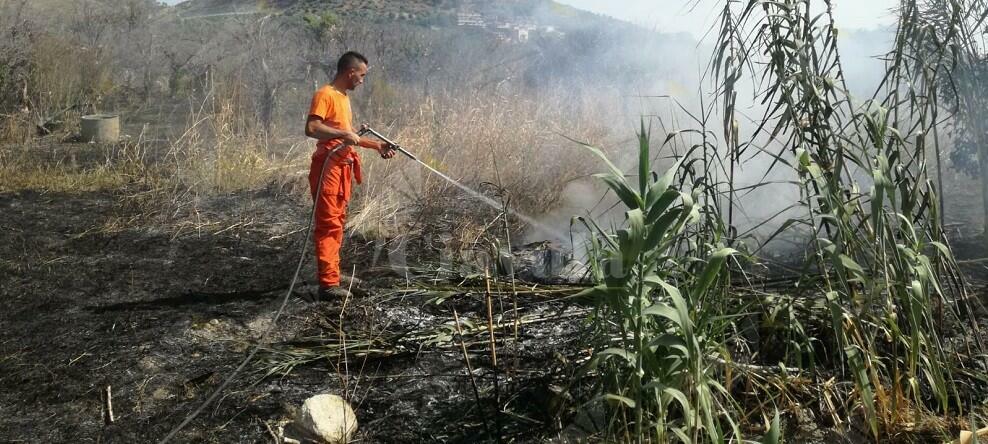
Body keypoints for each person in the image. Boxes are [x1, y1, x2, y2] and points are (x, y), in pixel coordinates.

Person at [304, 51, 395, 299]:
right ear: (350, 72)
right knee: (328, 224)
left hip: (342, 167)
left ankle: (333, 271)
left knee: (338, 222)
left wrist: (377, 146)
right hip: (328, 169)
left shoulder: (343, 98)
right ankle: (328, 284)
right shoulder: (325, 94)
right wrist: (343, 135)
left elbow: (348, 136)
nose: (362, 80)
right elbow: (312, 128)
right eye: (362, 75)